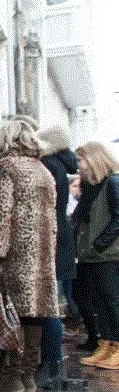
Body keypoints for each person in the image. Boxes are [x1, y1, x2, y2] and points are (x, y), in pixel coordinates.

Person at [0, 117, 58, 392]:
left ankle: (12, 383)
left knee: (8, 315)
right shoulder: (43, 170)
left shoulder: (3, 168)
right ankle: (28, 380)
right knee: (32, 317)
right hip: (39, 260)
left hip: (11, 258)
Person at [36, 125, 79, 388]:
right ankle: (52, 364)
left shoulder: (50, 166)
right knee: (51, 305)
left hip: (52, 242)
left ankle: (51, 365)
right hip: (60, 240)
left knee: (49, 307)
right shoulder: (60, 165)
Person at [71, 141, 119, 370]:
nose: (79, 165)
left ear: (93, 159)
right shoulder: (93, 186)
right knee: (100, 301)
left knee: (111, 301)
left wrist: (100, 243)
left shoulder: (113, 182)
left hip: (108, 255)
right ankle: (106, 343)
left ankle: (117, 347)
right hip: (92, 254)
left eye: (81, 160)